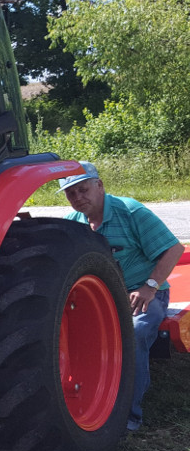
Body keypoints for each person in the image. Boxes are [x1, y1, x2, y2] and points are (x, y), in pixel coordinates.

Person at [59, 161, 185, 431]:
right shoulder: (73, 224)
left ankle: (129, 416)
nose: (78, 198)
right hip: (99, 298)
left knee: (135, 333)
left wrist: (150, 286)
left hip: (143, 294)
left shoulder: (131, 211)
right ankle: (77, 404)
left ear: (100, 185)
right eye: (71, 194)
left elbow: (173, 249)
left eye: (83, 190)